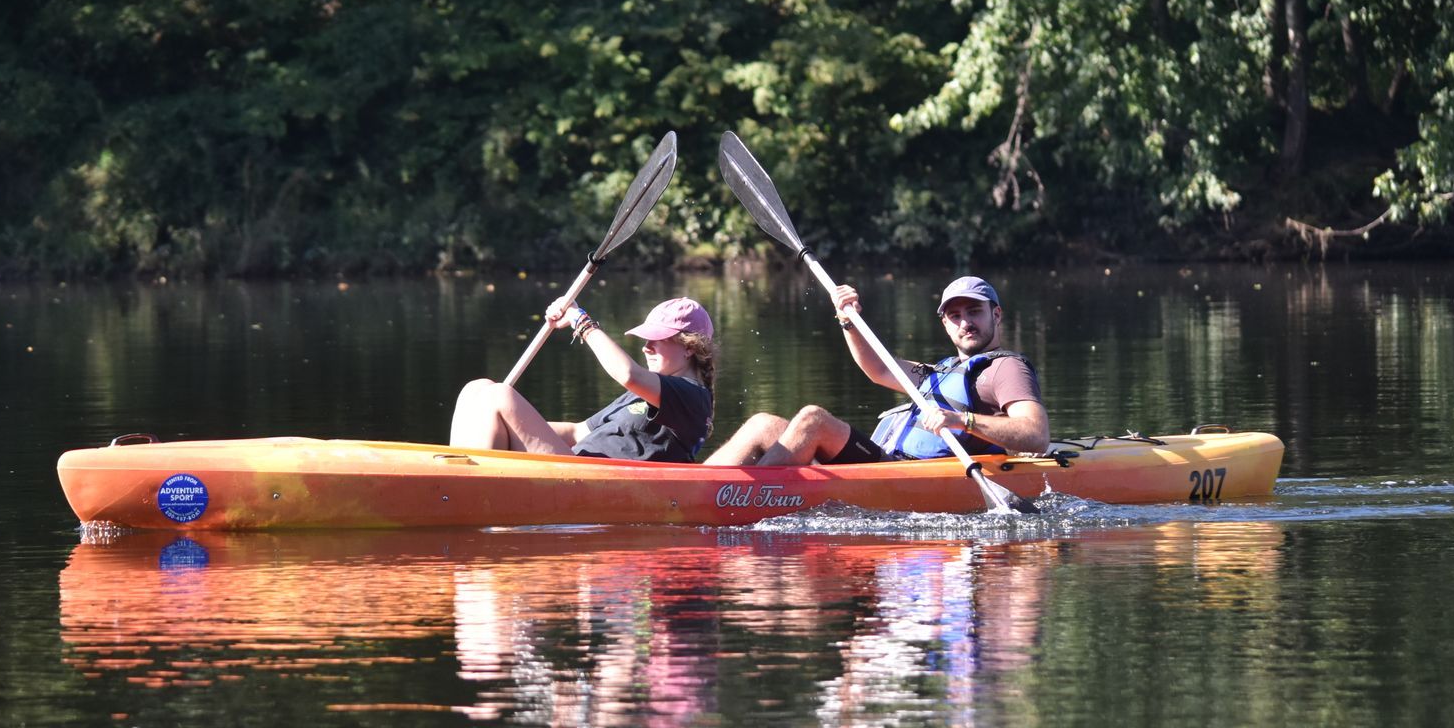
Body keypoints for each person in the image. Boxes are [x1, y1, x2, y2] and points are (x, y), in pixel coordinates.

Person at [705, 276, 1047, 466]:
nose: (966, 322)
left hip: (909, 473)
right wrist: (848, 319)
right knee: (764, 424)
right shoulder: (941, 370)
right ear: (944, 323)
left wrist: (962, 421)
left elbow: (1035, 434)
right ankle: (701, 487)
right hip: (885, 461)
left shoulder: (1005, 367)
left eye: (975, 311)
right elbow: (878, 366)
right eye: (955, 316)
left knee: (814, 420)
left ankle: (748, 498)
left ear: (996, 315)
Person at [448, 296, 717, 461]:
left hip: (595, 482)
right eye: (646, 340)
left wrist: (581, 321)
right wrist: (508, 425)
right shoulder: (644, 393)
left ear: (689, 347)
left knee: (500, 396)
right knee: (478, 389)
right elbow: (578, 431)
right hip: (574, 463)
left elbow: (627, 374)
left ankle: (466, 487)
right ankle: (455, 474)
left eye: (657, 340)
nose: (646, 347)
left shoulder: (693, 396)